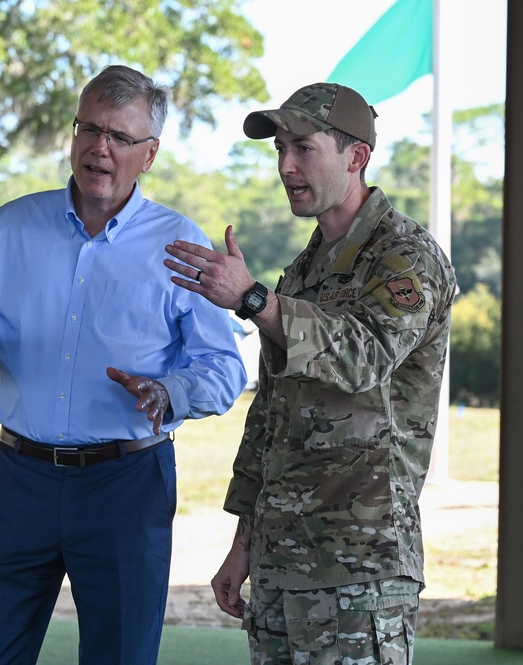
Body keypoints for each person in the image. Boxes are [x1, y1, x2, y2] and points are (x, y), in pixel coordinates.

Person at [0, 64, 247, 665]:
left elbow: (222, 366)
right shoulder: (8, 228)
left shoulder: (181, 245)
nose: (100, 148)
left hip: (126, 486)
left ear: (151, 153)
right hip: (18, 480)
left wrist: (169, 392)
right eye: (89, 129)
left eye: (120, 136)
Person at [164, 82, 457, 664]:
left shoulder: (403, 258)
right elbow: (270, 415)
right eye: (279, 150)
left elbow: (364, 356)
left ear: (356, 157)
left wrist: (254, 301)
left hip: (361, 567)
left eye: (302, 148)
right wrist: (243, 543)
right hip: (283, 562)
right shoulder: (302, 269)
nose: (286, 166)